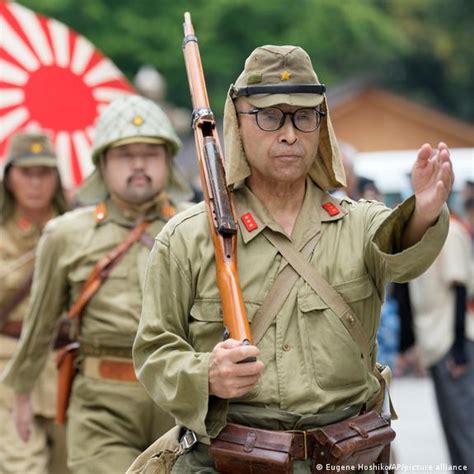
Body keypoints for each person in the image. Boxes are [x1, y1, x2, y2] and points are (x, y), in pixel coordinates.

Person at [133, 45, 452, 472]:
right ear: (238, 122)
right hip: (229, 460)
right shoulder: (187, 238)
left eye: (304, 116)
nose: (289, 133)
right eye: (269, 116)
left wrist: (425, 211)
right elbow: (155, 352)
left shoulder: (358, 224)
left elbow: (400, 251)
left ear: (321, 125)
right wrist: (206, 374)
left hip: (348, 456)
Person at [2, 95, 193, 474]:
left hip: (179, 401)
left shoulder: (197, 227)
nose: (139, 165)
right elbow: (40, 324)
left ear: (168, 162)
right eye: (125, 155)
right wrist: (21, 391)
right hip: (102, 404)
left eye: (151, 154)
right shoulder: (66, 234)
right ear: (102, 163)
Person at [0, 131, 69, 474]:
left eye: (45, 173)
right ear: (8, 177)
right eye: (27, 173)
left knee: (70, 466)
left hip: (64, 365)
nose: (36, 183)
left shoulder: (77, 228)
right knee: (22, 466)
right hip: (9, 364)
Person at [408, 210, 474, 470]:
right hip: (437, 341)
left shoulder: (452, 231)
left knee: (465, 429)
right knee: (454, 427)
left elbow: (460, 289)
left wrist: (458, 351)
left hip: (452, 342)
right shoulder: (424, 232)